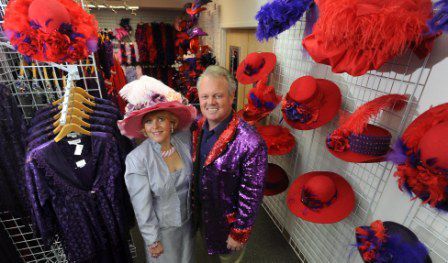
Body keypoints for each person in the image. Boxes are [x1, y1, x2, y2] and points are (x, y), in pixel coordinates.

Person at [192, 65, 268, 262]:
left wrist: (239, 231)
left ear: (232, 97)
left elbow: (252, 193)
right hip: (203, 215)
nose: (210, 102)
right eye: (205, 96)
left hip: (228, 225)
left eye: (218, 95)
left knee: (229, 259)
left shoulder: (250, 142)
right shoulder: (198, 126)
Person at [117, 76, 197, 262]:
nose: (155, 127)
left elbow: (184, 106)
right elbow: (141, 206)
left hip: (187, 225)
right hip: (161, 232)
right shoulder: (137, 159)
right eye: (148, 121)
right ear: (143, 129)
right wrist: (152, 240)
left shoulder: (183, 142)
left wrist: (171, 95)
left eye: (161, 119)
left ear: (172, 123)